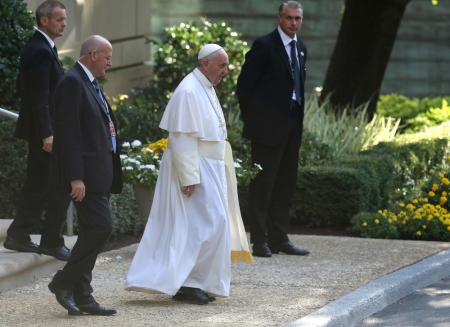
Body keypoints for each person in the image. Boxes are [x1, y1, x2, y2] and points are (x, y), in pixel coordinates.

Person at [126, 44, 252, 305]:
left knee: (212, 225)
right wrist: (189, 177)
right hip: (196, 169)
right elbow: (181, 137)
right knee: (199, 227)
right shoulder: (188, 90)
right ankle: (188, 283)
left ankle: (198, 281)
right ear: (205, 64)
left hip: (209, 166)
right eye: (221, 65)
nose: (225, 71)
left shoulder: (204, 85)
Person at [47, 35, 122, 316]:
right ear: (93, 55)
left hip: (97, 173)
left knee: (94, 230)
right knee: (102, 227)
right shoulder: (72, 82)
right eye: (107, 57)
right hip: (84, 177)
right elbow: (69, 135)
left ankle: (84, 297)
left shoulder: (87, 81)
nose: (110, 63)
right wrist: (75, 177)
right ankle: (62, 282)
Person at [236, 1, 310, 258]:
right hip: (266, 128)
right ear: (279, 18)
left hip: (292, 125)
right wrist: (257, 120)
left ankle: (280, 238)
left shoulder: (301, 48)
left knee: (286, 182)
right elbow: (244, 87)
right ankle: (259, 241)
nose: (293, 23)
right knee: (263, 185)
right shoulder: (264, 46)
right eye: (289, 18)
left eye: (298, 18)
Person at [4, 0, 72, 261]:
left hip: (39, 130)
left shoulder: (40, 46)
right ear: (44, 21)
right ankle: (51, 240)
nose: (64, 23)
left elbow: (26, 90)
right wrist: (47, 133)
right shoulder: (41, 49)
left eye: (65, 19)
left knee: (38, 182)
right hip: (45, 133)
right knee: (63, 182)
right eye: (59, 20)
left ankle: (19, 234)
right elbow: (40, 97)